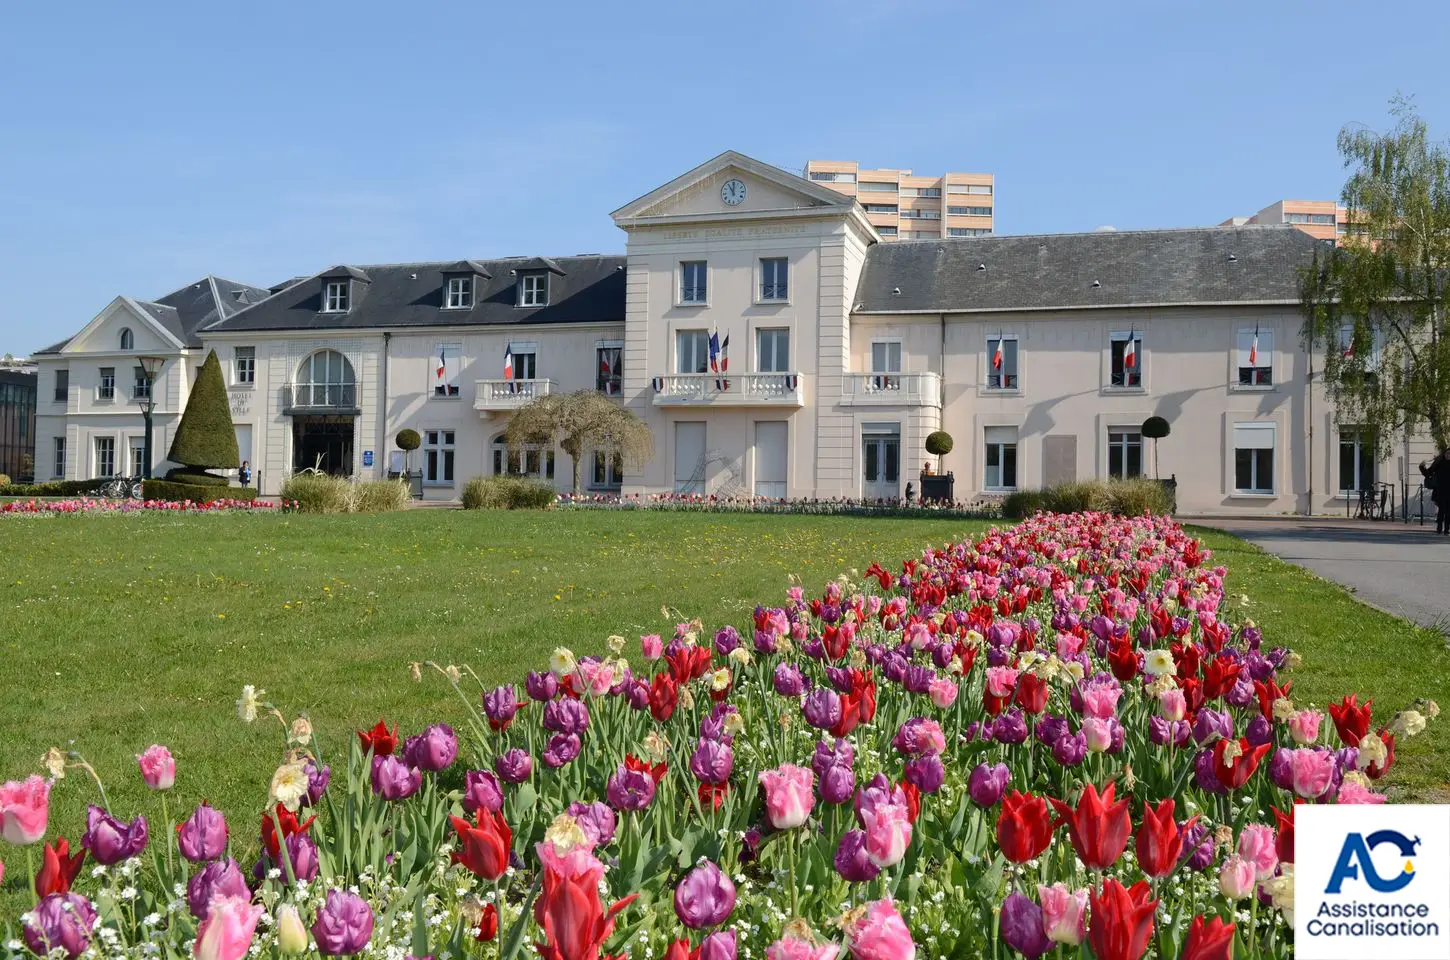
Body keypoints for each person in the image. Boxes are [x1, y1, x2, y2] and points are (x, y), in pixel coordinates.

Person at [1420, 449, 1450, 535]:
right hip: (1440, 491)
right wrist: (1422, 467)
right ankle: (1439, 528)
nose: (1448, 455)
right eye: (1447, 453)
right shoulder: (1439, 464)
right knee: (1441, 510)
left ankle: (1447, 529)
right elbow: (1428, 473)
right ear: (1444, 454)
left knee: (1448, 512)